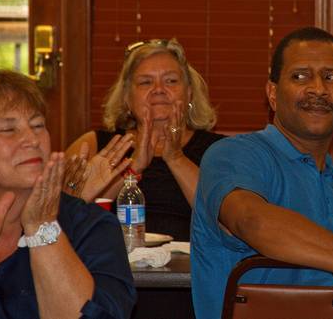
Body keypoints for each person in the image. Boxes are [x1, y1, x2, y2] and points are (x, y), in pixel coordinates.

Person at [191, 27, 333, 319]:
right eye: (300, 76)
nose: (318, 89)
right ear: (272, 92)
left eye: (331, 77)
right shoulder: (234, 156)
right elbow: (251, 221)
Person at [0, 68, 135, 318]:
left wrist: (43, 228)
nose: (32, 139)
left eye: (38, 125)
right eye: (9, 130)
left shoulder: (89, 226)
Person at [67, 38, 224, 241]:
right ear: (127, 98)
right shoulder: (93, 145)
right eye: (146, 82)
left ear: (189, 93)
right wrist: (133, 167)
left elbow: (224, 220)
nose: (159, 89)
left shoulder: (219, 150)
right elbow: (64, 217)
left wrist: (175, 158)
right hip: (114, 265)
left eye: (171, 81)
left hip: (191, 268)